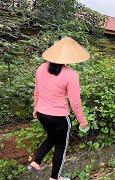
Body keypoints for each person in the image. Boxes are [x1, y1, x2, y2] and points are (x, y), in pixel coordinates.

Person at [27, 37, 90, 180]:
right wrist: (82, 120)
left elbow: (37, 91)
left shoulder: (41, 68)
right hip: (60, 118)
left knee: (51, 137)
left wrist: (36, 108)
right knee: (61, 146)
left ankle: (36, 162)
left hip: (42, 114)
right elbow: (75, 102)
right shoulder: (71, 75)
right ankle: (55, 178)